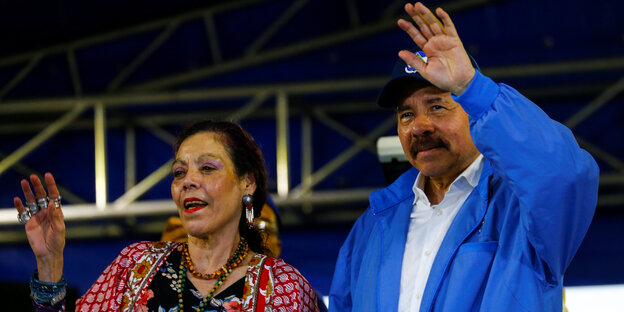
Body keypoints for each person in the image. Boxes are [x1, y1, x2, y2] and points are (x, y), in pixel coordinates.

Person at [330, 2, 599, 311]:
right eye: (406, 115)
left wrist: (472, 88)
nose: (419, 126)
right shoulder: (373, 224)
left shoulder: (520, 207)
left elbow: (563, 176)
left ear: (473, 112)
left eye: (437, 106)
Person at [14, 120, 320, 312]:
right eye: (179, 172)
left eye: (207, 168)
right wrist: (50, 262)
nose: (188, 180)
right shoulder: (134, 267)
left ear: (247, 182)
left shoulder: (287, 289)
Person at [161, 196, 330, 312]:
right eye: (242, 225)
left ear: (277, 246)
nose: (252, 234)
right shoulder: (169, 282)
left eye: (262, 226)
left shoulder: (300, 297)